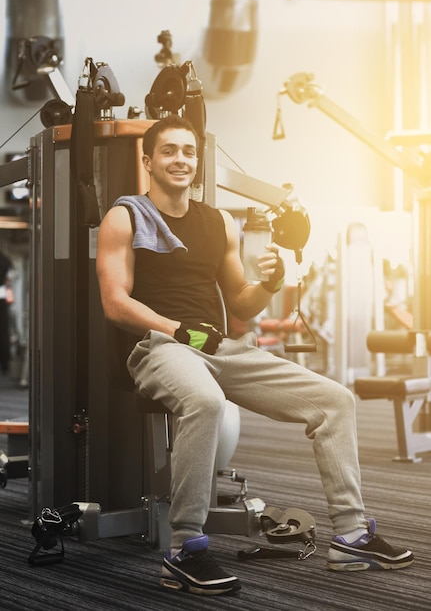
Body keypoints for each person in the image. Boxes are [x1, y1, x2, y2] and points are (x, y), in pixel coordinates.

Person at [96, 115, 414, 596]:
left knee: (336, 400)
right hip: (159, 346)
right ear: (148, 161)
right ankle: (185, 549)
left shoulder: (219, 222)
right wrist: (174, 328)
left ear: (197, 161)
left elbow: (241, 301)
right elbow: (116, 303)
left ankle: (349, 536)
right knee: (206, 402)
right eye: (168, 151)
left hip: (219, 347)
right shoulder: (125, 216)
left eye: (188, 151)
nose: (179, 159)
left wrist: (270, 281)